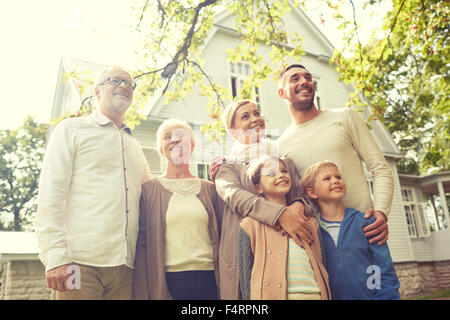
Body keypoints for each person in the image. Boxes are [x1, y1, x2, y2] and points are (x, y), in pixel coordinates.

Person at [35, 66, 152, 299]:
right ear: (97, 92)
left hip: (125, 270)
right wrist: (56, 257)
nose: (124, 86)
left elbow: (153, 197)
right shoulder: (71, 129)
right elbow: (51, 194)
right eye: (115, 80)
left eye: (129, 83)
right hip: (78, 265)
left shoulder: (135, 146)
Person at [277, 64, 394, 245]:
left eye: (308, 78)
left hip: (365, 232)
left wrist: (381, 212)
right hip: (320, 244)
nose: (304, 82)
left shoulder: (345, 117)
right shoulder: (281, 146)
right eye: (295, 79)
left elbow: (380, 168)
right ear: (282, 93)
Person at [214, 99, 313, 300]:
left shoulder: (285, 162)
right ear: (233, 132)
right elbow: (237, 197)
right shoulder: (227, 168)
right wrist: (279, 215)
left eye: (257, 113)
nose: (255, 119)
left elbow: (303, 197)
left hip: (289, 252)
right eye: (245, 116)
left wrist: (297, 206)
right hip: (244, 252)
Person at [134, 118, 223, 300]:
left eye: (180, 136)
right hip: (171, 281)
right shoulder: (148, 191)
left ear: (192, 145)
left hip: (209, 279)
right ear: (160, 148)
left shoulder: (212, 189)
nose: (174, 140)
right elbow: (141, 246)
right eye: (167, 137)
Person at [301, 160, 400, 299]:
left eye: (338, 177)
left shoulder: (365, 222)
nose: (335, 181)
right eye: (327, 178)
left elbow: (383, 269)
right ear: (312, 193)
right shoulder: (313, 229)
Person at [238, 156, 331, 300]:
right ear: (258, 188)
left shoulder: (310, 222)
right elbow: (245, 279)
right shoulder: (249, 226)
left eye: (284, 171)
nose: (281, 175)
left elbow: (322, 263)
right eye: (271, 173)